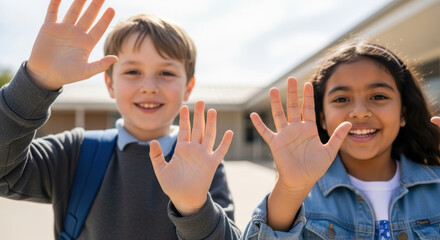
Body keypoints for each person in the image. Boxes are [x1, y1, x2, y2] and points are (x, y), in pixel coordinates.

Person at [0, 0, 241, 239]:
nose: (149, 87)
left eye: (166, 73)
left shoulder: (202, 163)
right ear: (110, 84)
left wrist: (195, 209)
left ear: (188, 87)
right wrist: (36, 81)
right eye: (132, 72)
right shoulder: (76, 152)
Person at [241, 42, 440, 239]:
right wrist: (290, 190)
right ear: (322, 118)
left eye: (378, 96)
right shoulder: (301, 197)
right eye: (341, 99)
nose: (360, 112)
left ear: (403, 111)